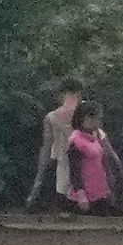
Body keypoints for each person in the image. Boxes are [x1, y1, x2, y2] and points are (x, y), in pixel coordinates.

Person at [25, 77, 83, 212]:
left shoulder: (51, 117)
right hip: (85, 164)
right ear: (79, 93)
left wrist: (38, 180)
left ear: (61, 94)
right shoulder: (87, 113)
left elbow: (47, 146)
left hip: (62, 164)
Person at [64, 105, 123, 215]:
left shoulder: (96, 136)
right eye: (96, 118)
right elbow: (74, 171)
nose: (98, 122)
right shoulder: (76, 141)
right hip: (86, 196)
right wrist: (81, 194)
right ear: (86, 118)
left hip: (100, 193)